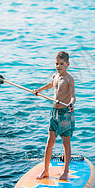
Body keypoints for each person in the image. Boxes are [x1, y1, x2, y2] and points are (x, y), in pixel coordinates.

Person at [32, 51, 76, 180]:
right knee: (50, 141)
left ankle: (66, 171)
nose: (58, 66)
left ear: (67, 64)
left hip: (65, 114)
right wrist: (38, 90)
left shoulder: (69, 79)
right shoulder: (55, 76)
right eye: (57, 63)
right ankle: (46, 170)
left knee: (65, 142)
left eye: (61, 64)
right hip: (54, 113)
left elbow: (73, 96)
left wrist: (70, 104)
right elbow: (50, 85)